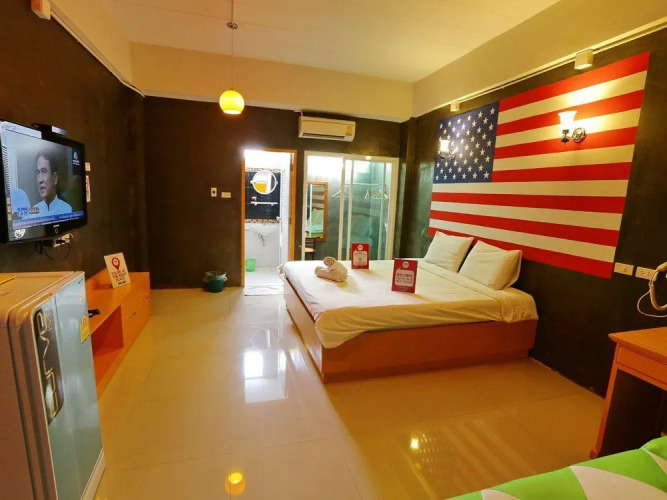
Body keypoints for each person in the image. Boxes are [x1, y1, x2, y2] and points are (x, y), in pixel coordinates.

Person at [32, 150, 72, 216]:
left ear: (55, 178)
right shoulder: (33, 212)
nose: (40, 180)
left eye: (44, 171)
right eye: (38, 173)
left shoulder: (67, 209)